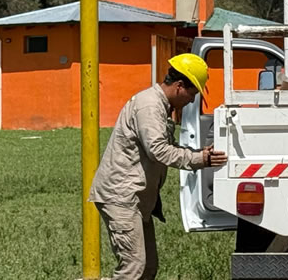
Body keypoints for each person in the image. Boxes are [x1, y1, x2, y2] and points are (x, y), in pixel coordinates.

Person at [89, 53, 226, 280]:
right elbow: (159, 151)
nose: (191, 101)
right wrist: (201, 159)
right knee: (133, 269)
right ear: (180, 86)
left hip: (135, 198)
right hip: (122, 197)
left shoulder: (159, 106)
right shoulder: (150, 107)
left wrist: (198, 154)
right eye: (192, 94)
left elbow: (165, 146)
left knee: (148, 268)